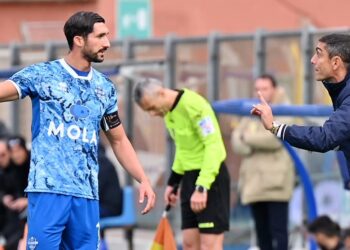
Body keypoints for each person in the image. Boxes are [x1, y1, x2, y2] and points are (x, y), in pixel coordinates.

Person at [0, 11, 155, 250]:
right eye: (101, 36)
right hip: (48, 191)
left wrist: (142, 178)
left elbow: (119, 140)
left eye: (107, 36)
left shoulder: (104, 88)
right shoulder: (42, 75)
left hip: (86, 195)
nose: (107, 43)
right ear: (79, 39)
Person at [133, 78, 230, 250]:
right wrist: (174, 182)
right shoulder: (168, 112)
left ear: (161, 93)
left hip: (210, 180)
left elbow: (214, 146)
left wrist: (202, 187)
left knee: (210, 246)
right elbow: (183, 148)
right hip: (190, 179)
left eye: (152, 108)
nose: (152, 114)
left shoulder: (195, 105)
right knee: (189, 244)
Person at [251, 33, 350, 191]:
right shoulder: (342, 92)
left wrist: (274, 127)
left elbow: (325, 138)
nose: (312, 60)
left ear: (336, 62)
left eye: (318, 53)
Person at [231, 74, 295, 250]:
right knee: (261, 234)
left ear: (274, 89)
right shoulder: (251, 110)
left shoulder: (286, 109)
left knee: (279, 233)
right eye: (257, 88)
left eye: (265, 88)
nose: (260, 92)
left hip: (276, 184)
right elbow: (236, 141)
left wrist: (247, 138)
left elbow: (275, 138)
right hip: (253, 183)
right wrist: (248, 139)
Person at [0, 138, 26, 250]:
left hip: (25, 214)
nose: (16, 155)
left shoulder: (28, 166)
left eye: (3, 155)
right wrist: (3, 198)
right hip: (10, 215)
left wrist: (26, 201)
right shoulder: (6, 169)